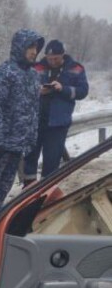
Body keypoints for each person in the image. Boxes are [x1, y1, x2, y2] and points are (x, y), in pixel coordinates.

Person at [0, 28, 43, 213]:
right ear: (19, 47)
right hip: (0, 147)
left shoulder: (33, 76)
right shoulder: (2, 74)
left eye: (36, 48)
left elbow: (32, 110)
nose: (34, 52)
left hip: (17, 146)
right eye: (30, 47)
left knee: (1, 194)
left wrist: (30, 139)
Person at [22, 39, 89, 184]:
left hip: (58, 124)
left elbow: (83, 92)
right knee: (30, 159)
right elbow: (23, 89)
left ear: (63, 55)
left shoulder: (76, 68)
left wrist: (62, 89)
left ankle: (47, 193)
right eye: (49, 58)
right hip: (35, 122)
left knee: (51, 161)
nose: (52, 61)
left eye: (56, 58)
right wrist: (38, 91)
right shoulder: (36, 67)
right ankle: (27, 191)